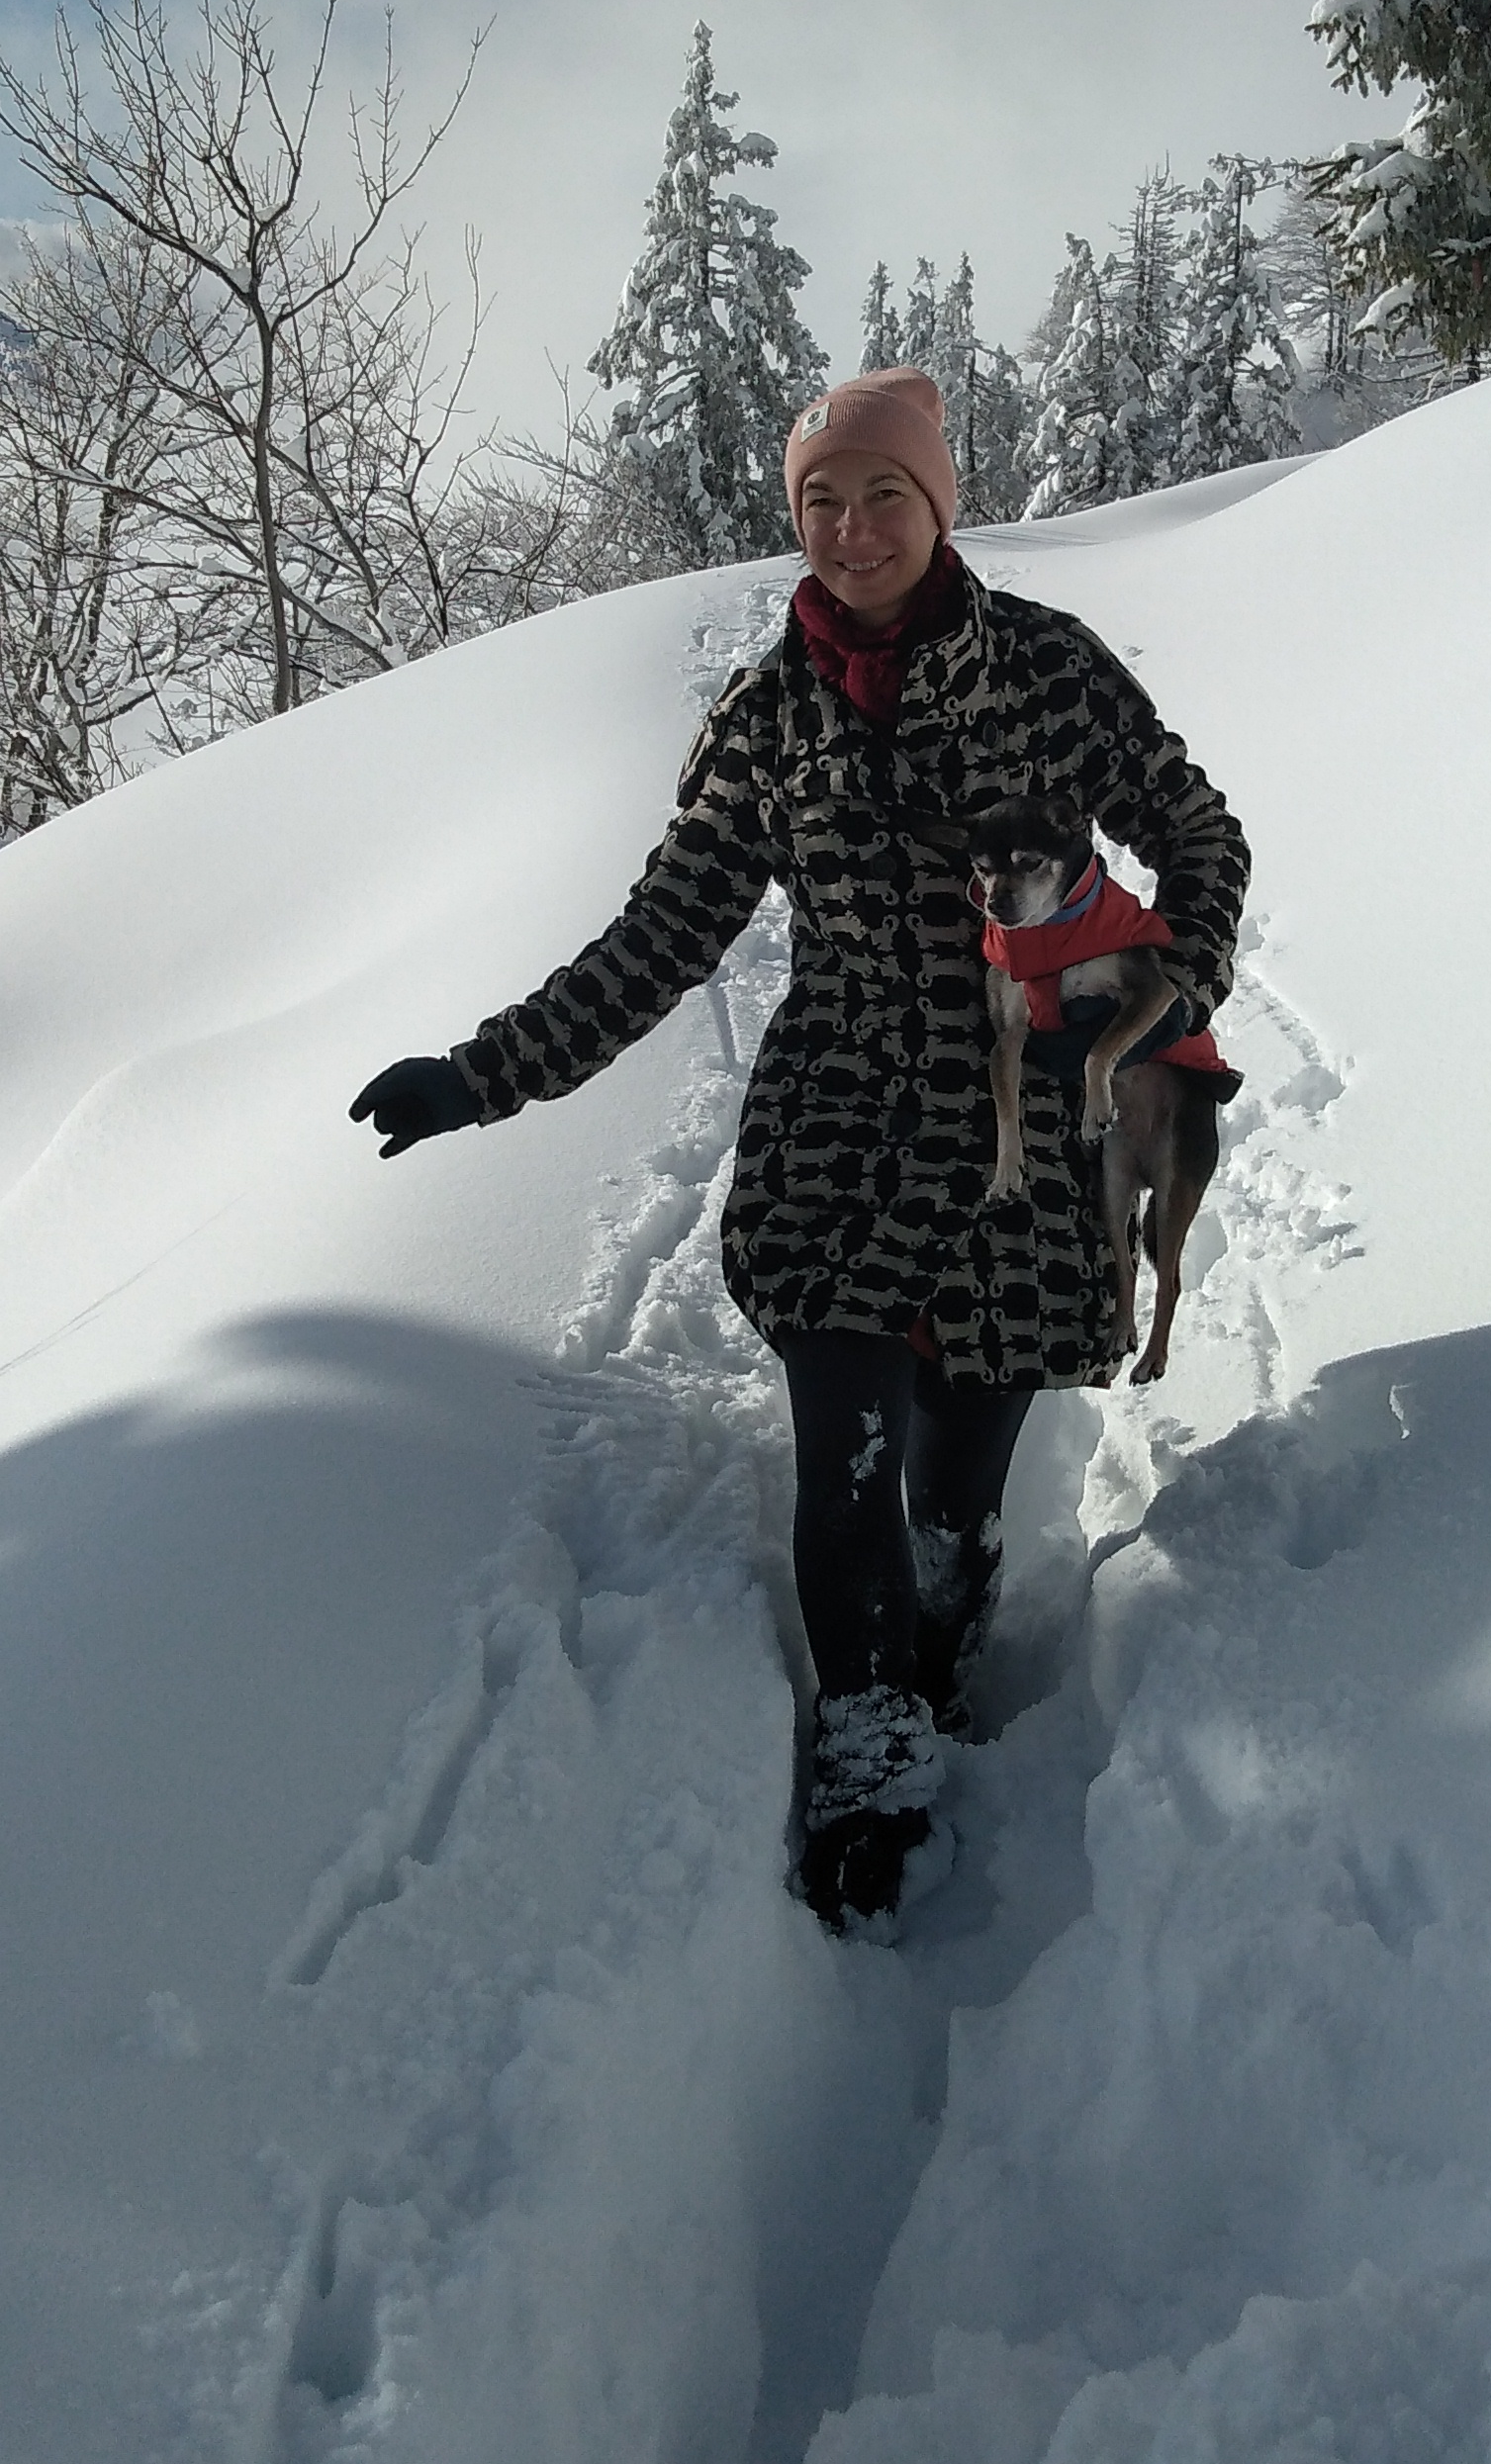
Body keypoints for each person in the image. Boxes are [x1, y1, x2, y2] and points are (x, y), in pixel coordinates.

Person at [349, 364, 1249, 1928]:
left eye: (881, 497)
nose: (848, 530)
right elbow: (663, 935)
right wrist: (481, 1076)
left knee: (961, 1477)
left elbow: (1200, 835)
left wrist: (1172, 986)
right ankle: (866, 1729)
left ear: (937, 507)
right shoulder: (765, 720)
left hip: (1024, 1126)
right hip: (838, 1126)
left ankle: (948, 1629)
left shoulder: (1047, 670)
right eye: (820, 504)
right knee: (846, 1447)